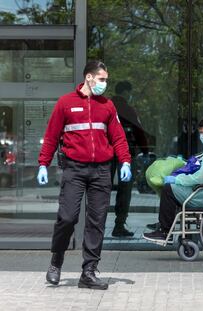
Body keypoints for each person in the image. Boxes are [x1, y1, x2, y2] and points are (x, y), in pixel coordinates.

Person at [37, 61, 132, 289]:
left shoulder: (107, 106)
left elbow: (118, 137)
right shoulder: (66, 103)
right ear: (89, 78)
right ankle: (56, 261)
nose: (105, 84)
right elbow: (51, 136)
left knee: (96, 221)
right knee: (68, 217)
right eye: (101, 79)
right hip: (75, 169)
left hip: (101, 171)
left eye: (106, 79)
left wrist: (125, 161)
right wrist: (43, 164)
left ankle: (88, 272)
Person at [143, 117, 203, 241]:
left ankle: (165, 231)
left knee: (169, 188)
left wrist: (178, 179)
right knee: (174, 188)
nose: (201, 136)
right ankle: (166, 224)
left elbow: (201, 177)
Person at [111, 81, 149, 237]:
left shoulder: (105, 106)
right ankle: (119, 225)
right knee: (124, 189)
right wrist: (146, 151)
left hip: (104, 154)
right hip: (126, 154)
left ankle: (95, 225)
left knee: (100, 189)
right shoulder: (128, 109)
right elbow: (139, 132)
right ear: (126, 93)